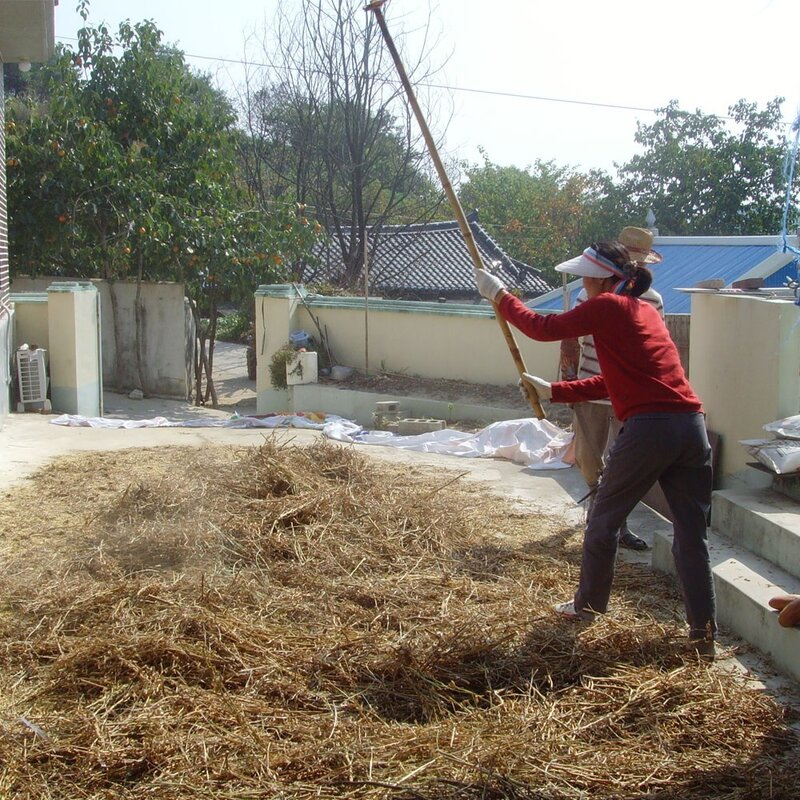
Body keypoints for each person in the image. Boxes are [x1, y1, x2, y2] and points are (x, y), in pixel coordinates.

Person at [475, 241, 716, 658]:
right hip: (691, 428)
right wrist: (557, 390)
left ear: (602, 279)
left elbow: (542, 328)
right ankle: (702, 635)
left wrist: (500, 295)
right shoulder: (644, 313)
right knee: (692, 537)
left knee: (603, 521)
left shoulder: (607, 306)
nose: (583, 284)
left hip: (650, 429)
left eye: (586, 277)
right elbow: (616, 382)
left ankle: (587, 609)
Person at [560, 227, 664, 552]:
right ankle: (600, 515)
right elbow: (568, 340)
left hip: (629, 397)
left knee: (624, 463)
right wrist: (569, 381)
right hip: (592, 389)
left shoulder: (653, 301)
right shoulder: (588, 292)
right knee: (590, 459)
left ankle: (617, 526)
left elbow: (655, 353)